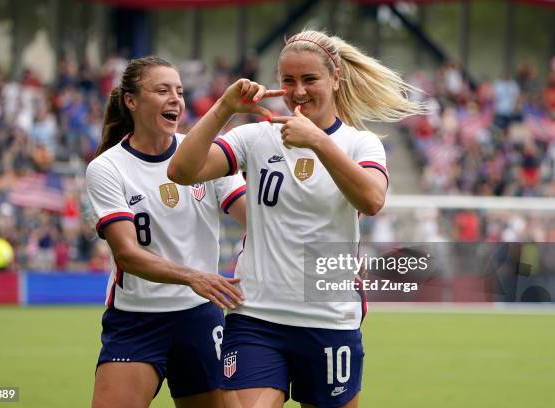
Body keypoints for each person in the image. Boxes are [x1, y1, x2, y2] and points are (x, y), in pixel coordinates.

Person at [168, 30, 424, 408]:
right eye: (288, 80)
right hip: (256, 314)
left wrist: (318, 141)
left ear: (335, 79)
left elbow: (371, 199)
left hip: (329, 317)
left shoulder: (360, 143)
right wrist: (224, 108)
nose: (298, 91)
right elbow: (182, 171)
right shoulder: (256, 137)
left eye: (310, 79)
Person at [86, 56, 247, 408]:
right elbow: (126, 254)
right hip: (136, 320)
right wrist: (193, 276)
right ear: (131, 101)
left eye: (179, 90)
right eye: (162, 90)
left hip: (200, 316)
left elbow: (256, 221)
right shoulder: (107, 168)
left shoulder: (208, 155)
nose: (176, 98)